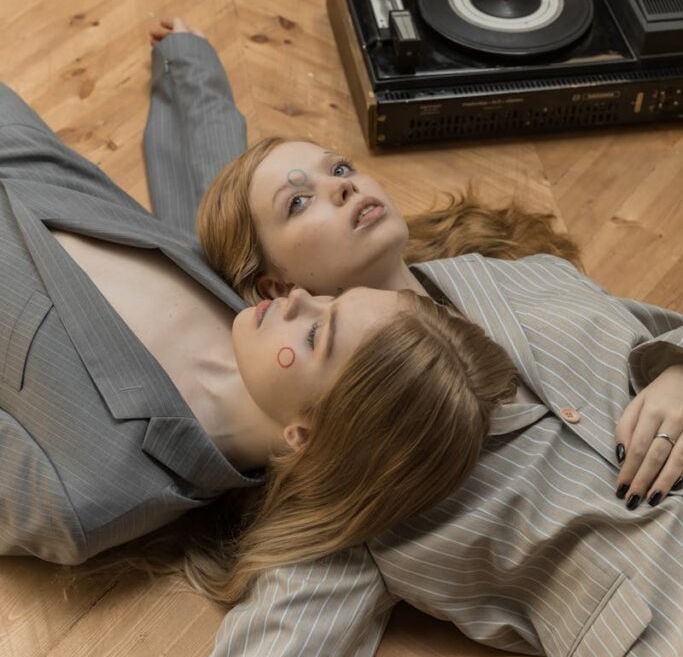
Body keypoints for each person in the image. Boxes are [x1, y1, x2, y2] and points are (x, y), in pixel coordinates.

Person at [134, 22, 682, 657]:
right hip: (661, 651)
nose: (341, 185)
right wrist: (187, 68)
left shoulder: (525, 275)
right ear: (274, 286)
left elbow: (658, 329)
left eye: (336, 169)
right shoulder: (358, 467)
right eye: (301, 203)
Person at [0, 28, 518, 566]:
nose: (299, 299)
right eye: (331, 301)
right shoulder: (246, 300)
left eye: (319, 334)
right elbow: (221, 179)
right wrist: (188, 57)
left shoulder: (91, 494)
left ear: (305, 436)